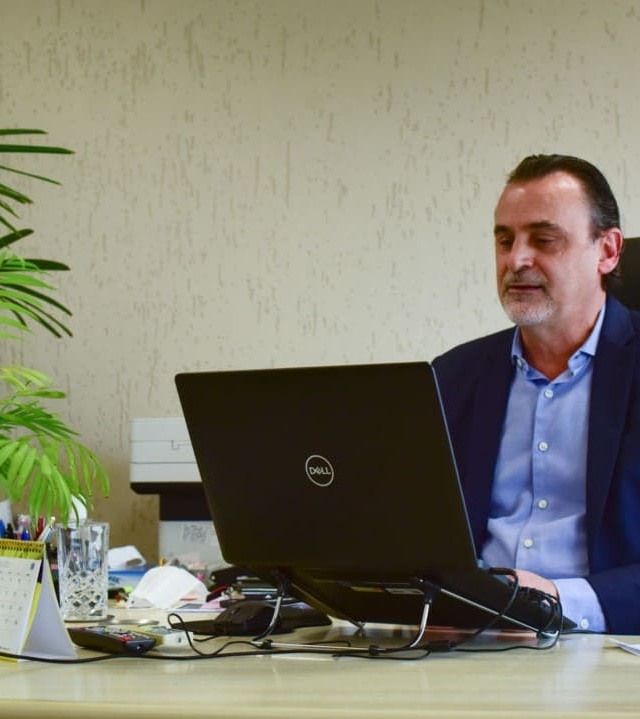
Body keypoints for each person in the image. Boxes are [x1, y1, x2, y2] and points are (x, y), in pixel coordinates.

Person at [433, 154, 640, 635]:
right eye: (505, 240)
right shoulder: (452, 376)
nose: (516, 260)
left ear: (608, 251)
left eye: (544, 240)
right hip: (471, 640)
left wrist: (555, 600)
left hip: (605, 644)